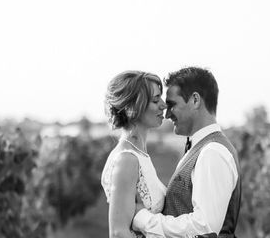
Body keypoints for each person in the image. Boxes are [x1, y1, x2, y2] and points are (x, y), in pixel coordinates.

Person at [132, 67, 242, 238]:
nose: (167, 114)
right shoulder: (203, 147)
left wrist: (143, 220)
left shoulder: (212, 152)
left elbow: (204, 227)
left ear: (195, 100)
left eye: (172, 105)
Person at [101, 70, 168, 238]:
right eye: (155, 100)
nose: (163, 105)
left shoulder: (139, 155)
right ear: (134, 107)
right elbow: (118, 233)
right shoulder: (127, 159)